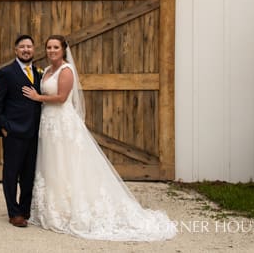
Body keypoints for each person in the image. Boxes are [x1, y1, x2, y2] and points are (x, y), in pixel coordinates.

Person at [21, 35, 177, 241]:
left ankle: (74, 207)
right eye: (49, 47)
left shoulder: (65, 70)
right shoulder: (47, 70)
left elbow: (61, 98)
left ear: (63, 49)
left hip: (63, 124)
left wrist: (38, 97)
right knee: (53, 165)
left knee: (68, 163)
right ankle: (56, 206)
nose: (51, 51)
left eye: (56, 47)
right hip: (48, 125)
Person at [0, 34, 42, 227]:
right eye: (22, 47)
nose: (26, 50)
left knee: (29, 174)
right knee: (11, 173)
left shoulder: (39, 72)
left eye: (29, 46)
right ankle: (13, 212)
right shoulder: (6, 73)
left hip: (34, 132)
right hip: (14, 132)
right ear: (15, 50)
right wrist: (2, 127)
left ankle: (25, 209)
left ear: (33, 50)